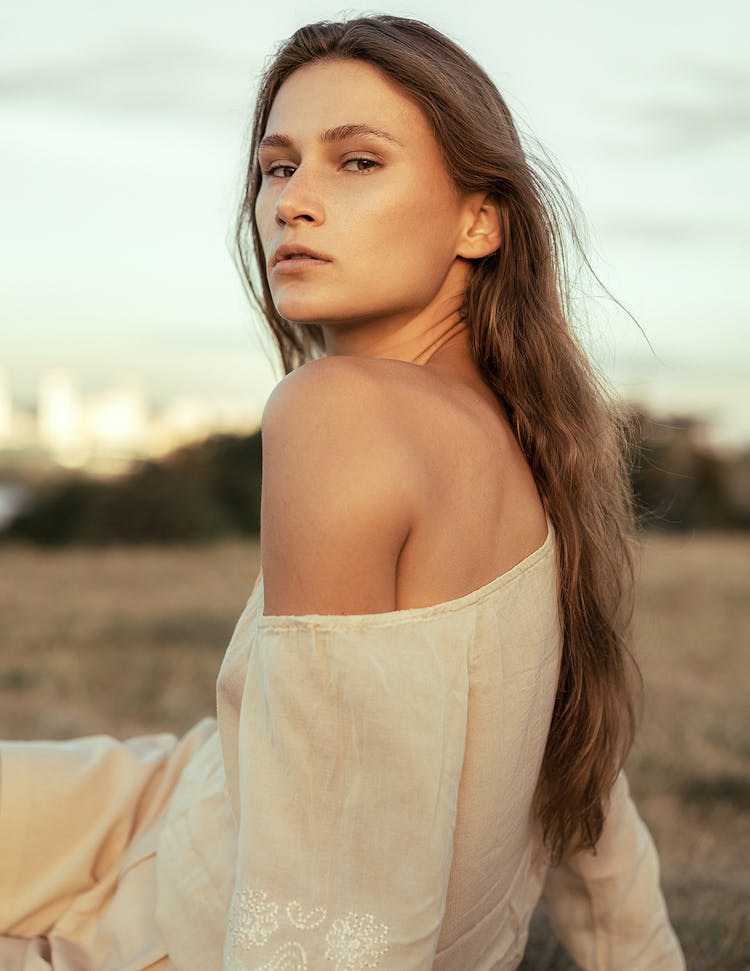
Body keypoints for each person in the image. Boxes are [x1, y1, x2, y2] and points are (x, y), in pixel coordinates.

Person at [0, 15, 685, 971]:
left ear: (479, 219)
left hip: (178, 912)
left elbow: (323, 899)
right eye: (277, 168)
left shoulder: (339, 410)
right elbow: (588, 781)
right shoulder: (540, 443)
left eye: (357, 162)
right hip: (170, 801)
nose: (294, 203)